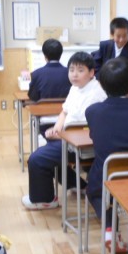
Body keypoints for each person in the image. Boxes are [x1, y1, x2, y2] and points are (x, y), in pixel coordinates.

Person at [86, 57, 128, 253]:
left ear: (102, 85)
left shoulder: (92, 112)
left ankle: (110, 228)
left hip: (106, 179)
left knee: (93, 190)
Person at [22, 52, 107, 210]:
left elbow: (86, 129)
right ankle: (79, 185)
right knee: (46, 150)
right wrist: (57, 129)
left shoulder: (95, 94)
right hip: (68, 138)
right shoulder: (76, 87)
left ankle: (45, 200)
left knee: (37, 159)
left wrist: (61, 135)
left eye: (80, 70)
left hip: (82, 145)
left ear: (91, 73)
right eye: (71, 70)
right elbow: (64, 111)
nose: (74, 74)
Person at [92, 17, 128, 101]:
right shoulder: (105, 46)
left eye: (124, 36)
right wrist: (99, 81)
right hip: (103, 89)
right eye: (118, 36)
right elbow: (96, 65)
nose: (121, 39)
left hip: (123, 91)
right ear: (112, 34)